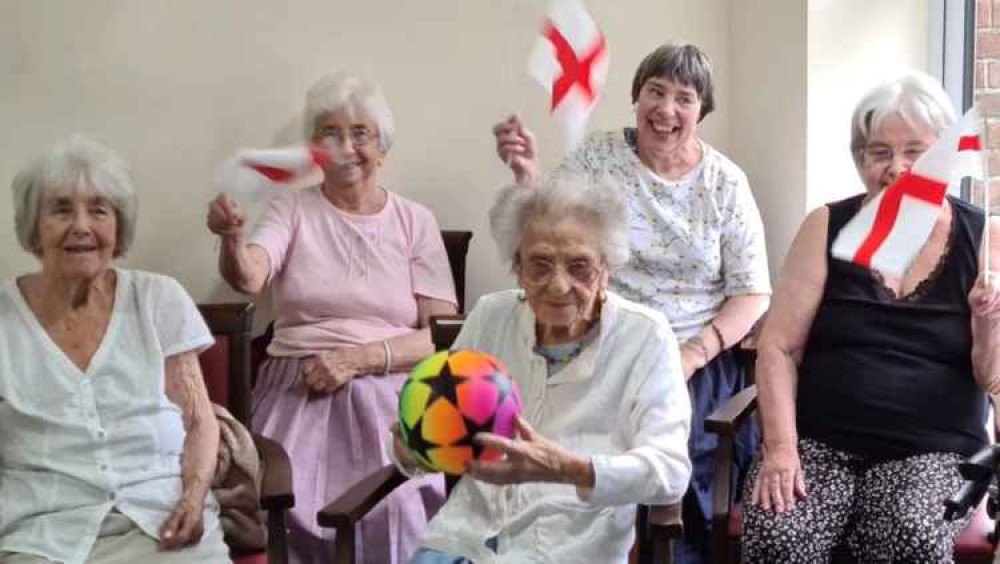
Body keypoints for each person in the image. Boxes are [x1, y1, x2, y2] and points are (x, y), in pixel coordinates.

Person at [493, 41, 770, 562]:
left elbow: (752, 292)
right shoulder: (599, 156)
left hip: (695, 356)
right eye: (655, 92)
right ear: (636, 98)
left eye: (684, 98)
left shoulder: (725, 183)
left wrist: (692, 352)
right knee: (571, 454)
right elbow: (551, 224)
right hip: (602, 341)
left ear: (702, 112)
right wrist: (528, 172)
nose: (666, 109)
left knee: (673, 468)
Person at [743, 71, 1000, 562]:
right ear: (860, 159)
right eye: (879, 152)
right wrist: (780, 449)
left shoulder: (984, 238)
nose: (897, 168)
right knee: (781, 536)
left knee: (909, 538)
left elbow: (992, 377)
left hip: (934, 451)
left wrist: (989, 319)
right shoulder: (826, 226)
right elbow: (777, 346)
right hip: (819, 443)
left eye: (916, 153)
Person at [206, 72, 458, 563]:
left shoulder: (415, 221)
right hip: (299, 385)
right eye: (330, 133)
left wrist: (360, 358)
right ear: (314, 149)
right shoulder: (291, 208)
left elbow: (441, 335)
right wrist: (232, 238)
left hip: (394, 389)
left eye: (360, 133)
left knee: (402, 503)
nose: (346, 146)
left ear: (382, 149)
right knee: (288, 500)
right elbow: (250, 277)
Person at [392, 175, 692, 563]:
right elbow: (427, 437)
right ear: (517, 268)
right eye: (540, 264)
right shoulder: (490, 316)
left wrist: (569, 469)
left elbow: (669, 472)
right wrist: (409, 448)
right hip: (461, 541)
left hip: (568, 549)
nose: (558, 285)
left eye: (579, 266)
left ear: (607, 269)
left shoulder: (645, 337)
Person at [0, 135, 230, 563]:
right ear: (33, 226)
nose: (82, 226)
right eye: (61, 209)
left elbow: (199, 419)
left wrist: (195, 497)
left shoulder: (158, 297)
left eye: (99, 210)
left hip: (164, 519)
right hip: (42, 535)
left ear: (118, 227)